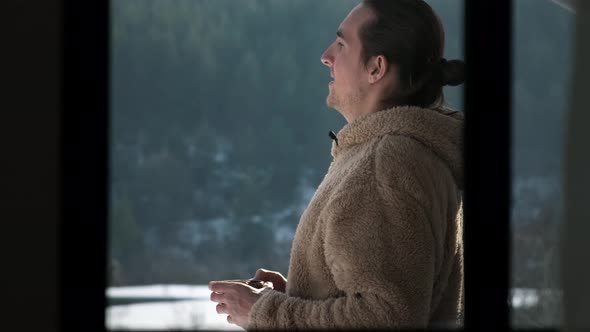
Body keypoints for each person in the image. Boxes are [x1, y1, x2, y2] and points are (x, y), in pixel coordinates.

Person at [209, 0, 465, 329]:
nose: (326, 55)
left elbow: (386, 317)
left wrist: (266, 313)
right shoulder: (401, 154)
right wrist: (299, 293)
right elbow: (389, 295)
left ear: (376, 68)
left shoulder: (385, 163)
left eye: (342, 44)